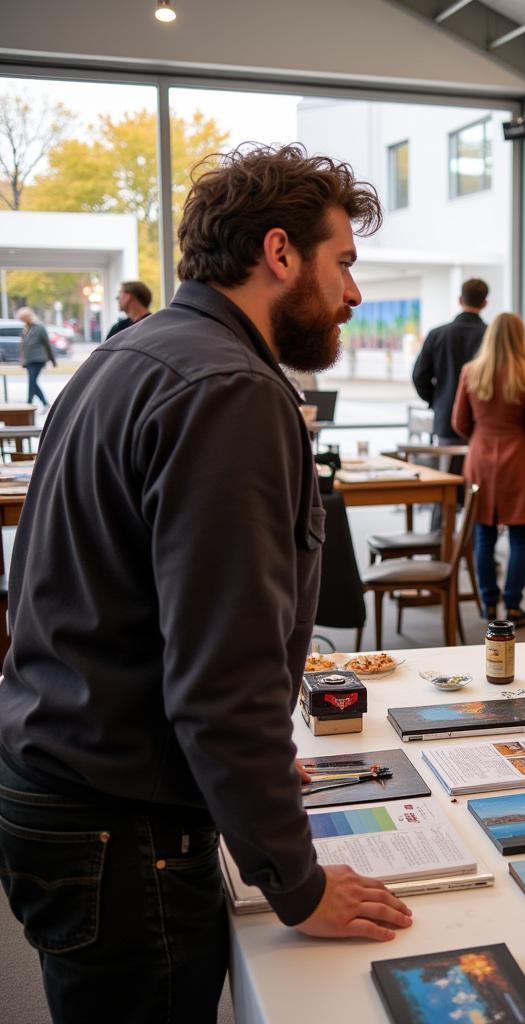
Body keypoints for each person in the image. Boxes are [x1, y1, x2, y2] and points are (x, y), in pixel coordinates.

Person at [0, 145, 412, 1024]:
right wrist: (300, 886)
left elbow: (128, 613)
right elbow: (221, 680)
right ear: (278, 253)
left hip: (65, 781)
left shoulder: (130, 356)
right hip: (123, 825)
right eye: (342, 262)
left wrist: (245, 779)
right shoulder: (231, 390)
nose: (352, 294)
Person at [452, 312, 525, 627]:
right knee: (520, 539)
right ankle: (514, 606)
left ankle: (488, 603)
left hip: (480, 459)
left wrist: (481, 436)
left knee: (483, 535)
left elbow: (459, 422)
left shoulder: (471, 372)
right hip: (518, 461)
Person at [412, 278, 488, 527]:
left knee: (443, 485)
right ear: (485, 302)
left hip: (446, 423)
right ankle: (475, 550)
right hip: (481, 424)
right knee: (476, 488)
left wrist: (437, 402)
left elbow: (419, 376)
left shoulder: (438, 334)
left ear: (459, 300)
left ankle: (438, 542)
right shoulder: (490, 337)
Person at [15, 306, 57, 406]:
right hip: (29, 360)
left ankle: (36, 402)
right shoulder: (26, 328)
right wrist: (22, 359)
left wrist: (52, 360)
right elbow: (23, 346)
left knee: (32, 382)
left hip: (38, 359)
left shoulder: (39, 327)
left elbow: (47, 344)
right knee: (32, 382)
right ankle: (33, 402)